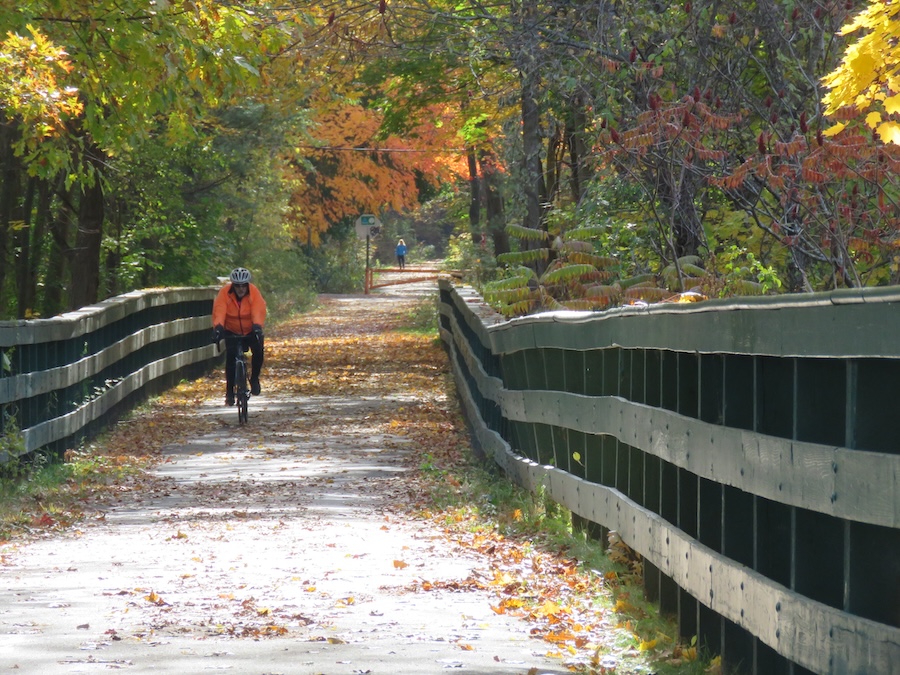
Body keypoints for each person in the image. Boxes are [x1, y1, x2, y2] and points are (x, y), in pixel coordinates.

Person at [211, 267, 267, 406]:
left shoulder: (253, 292)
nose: (241, 289)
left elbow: (258, 308)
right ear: (233, 285)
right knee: (230, 357)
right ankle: (229, 392)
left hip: (250, 328)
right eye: (237, 286)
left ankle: (254, 379)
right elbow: (220, 309)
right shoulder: (225, 293)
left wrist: (257, 325)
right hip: (231, 328)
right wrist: (218, 327)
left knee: (258, 351)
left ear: (247, 285)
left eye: (243, 286)